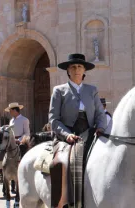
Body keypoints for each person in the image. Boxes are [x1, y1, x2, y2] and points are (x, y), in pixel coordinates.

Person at [49, 53, 106, 207]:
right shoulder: (59, 90)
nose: (76, 69)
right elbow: (54, 119)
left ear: (84, 71)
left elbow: (100, 114)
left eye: (80, 66)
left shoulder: (92, 90)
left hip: (90, 132)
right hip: (67, 134)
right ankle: (64, 202)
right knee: (62, 163)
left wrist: (100, 127)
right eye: (73, 67)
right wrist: (67, 135)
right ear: (68, 70)